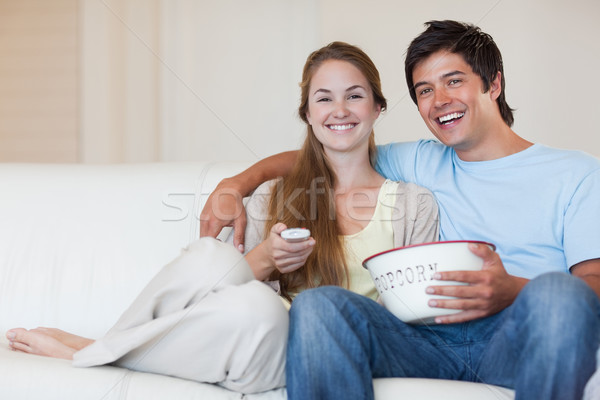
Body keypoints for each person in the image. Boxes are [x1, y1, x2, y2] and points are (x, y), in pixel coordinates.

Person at [5, 42, 439, 394]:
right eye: (323, 99)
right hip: (253, 332)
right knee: (213, 264)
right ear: (308, 115)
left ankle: (89, 350)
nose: (339, 110)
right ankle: (106, 345)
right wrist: (267, 258)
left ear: (378, 107)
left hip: (306, 356)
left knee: (266, 312)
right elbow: (222, 296)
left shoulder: (414, 205)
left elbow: (401, 319)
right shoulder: (273, 196)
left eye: (355, 96)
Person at [198, 21, 600, 400]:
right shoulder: (424, 160)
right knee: (319, 305)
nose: (440, 101)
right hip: (426, 339)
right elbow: (330, 148)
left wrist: (512, 290)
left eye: (454, 81)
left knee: (558, 292)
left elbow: (593, 287)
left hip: (518, 333)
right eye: (424, 90)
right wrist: (236, 184)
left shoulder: (576, 172)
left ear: (493, 84)